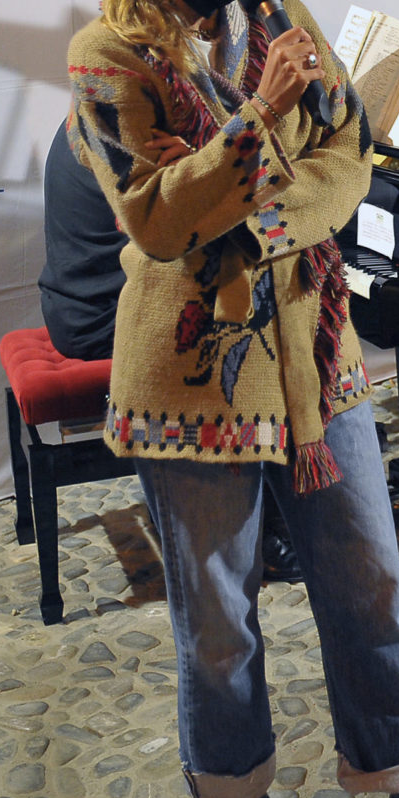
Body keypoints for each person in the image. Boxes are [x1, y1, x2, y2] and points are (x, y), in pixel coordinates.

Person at [63, 0, 399, 798]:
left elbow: (348, 156)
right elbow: (153, 217)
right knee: (220, 623)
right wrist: (260, 119)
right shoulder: (107, 57)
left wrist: (249, 219)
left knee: (371, 588)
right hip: (192, 376)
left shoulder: (284, 14)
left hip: (316, 356)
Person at [37, 121, 303, 583]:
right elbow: (192, 236)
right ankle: (268, 533)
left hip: (70, 302)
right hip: (100, 317)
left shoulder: (93, 111)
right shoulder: (131, 132)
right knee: (257, 329)